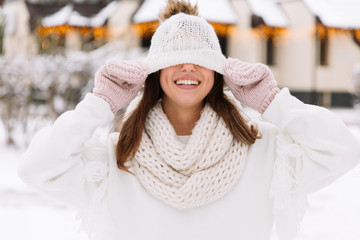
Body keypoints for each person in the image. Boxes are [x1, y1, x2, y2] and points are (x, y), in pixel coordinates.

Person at [18, 1, 360, 240]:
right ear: (153, 72)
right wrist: (99, 104)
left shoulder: (264, 150)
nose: (188, 67)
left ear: (217, 71)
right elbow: (36, 169)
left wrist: (274, 103)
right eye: (175, 58)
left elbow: (343, 151)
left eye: (199, 58)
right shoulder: (115, 156)